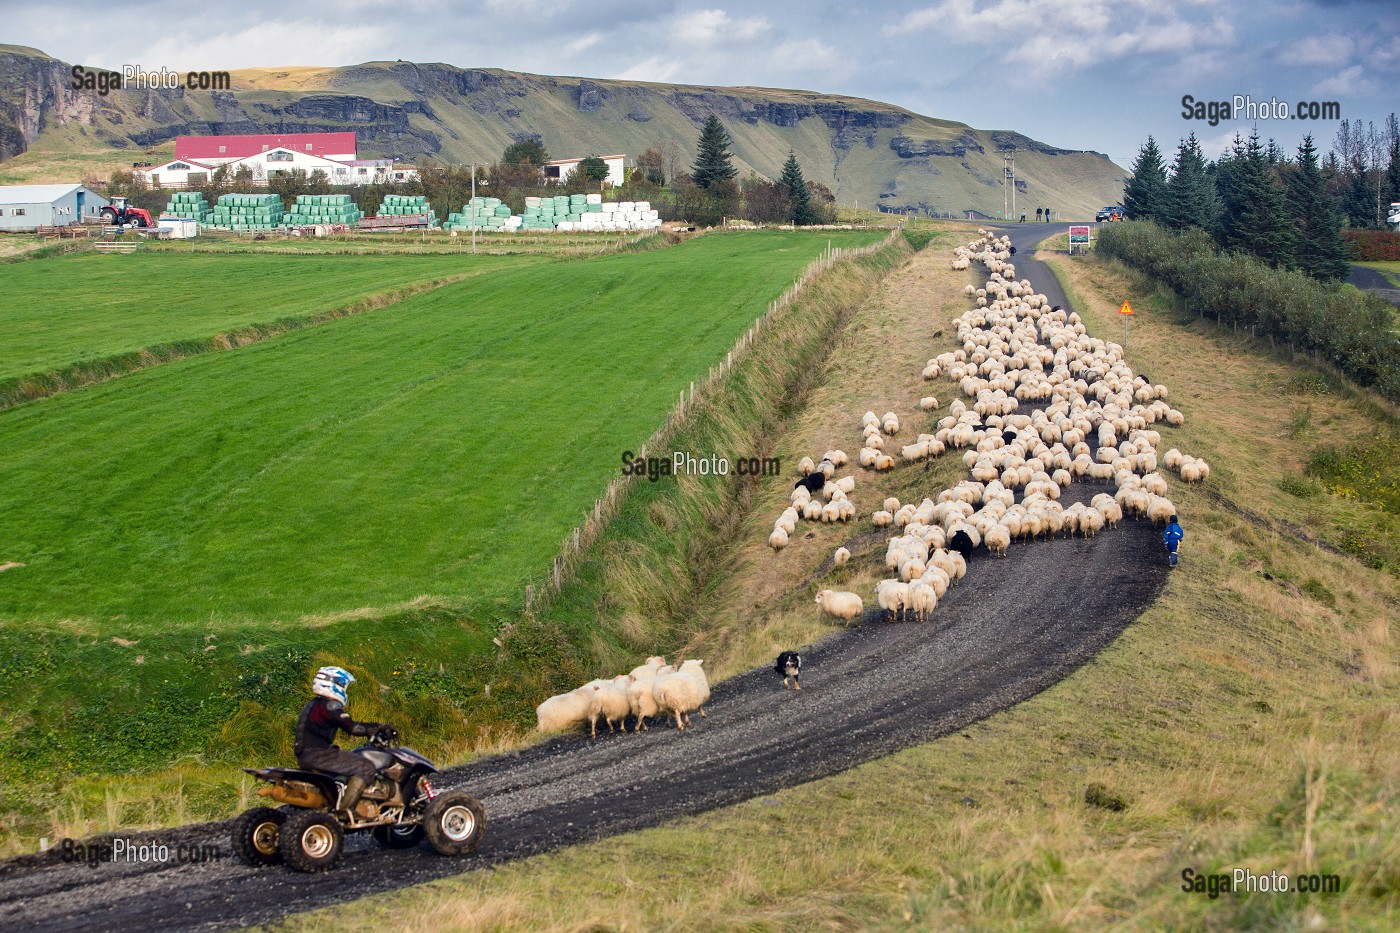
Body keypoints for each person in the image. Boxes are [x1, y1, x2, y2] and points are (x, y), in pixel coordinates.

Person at [295, 666, 395, 816]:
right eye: (343, 686)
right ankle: (346, 813)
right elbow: (353, 728)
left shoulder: (313, 704)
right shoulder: (329, 705)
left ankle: (338, 797)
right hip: (318, 754)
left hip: (305, 755)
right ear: (334, 685)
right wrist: (376, 727)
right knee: (366, 767)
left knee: (348, 760)